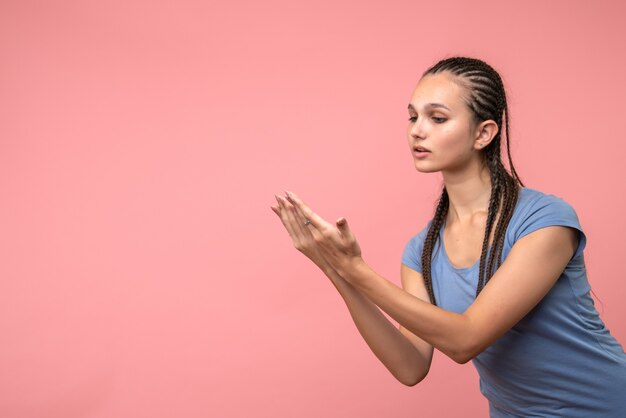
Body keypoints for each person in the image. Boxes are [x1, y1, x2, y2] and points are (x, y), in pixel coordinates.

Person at [270, 56, 626, 417]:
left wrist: (357, 269)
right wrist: (338, 271)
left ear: (483, 133)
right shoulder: (422, 252)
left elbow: (465, 340)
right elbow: (410, 366)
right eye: (413, 116)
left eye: (437, 118)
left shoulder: (546, 220)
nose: (416, 130)